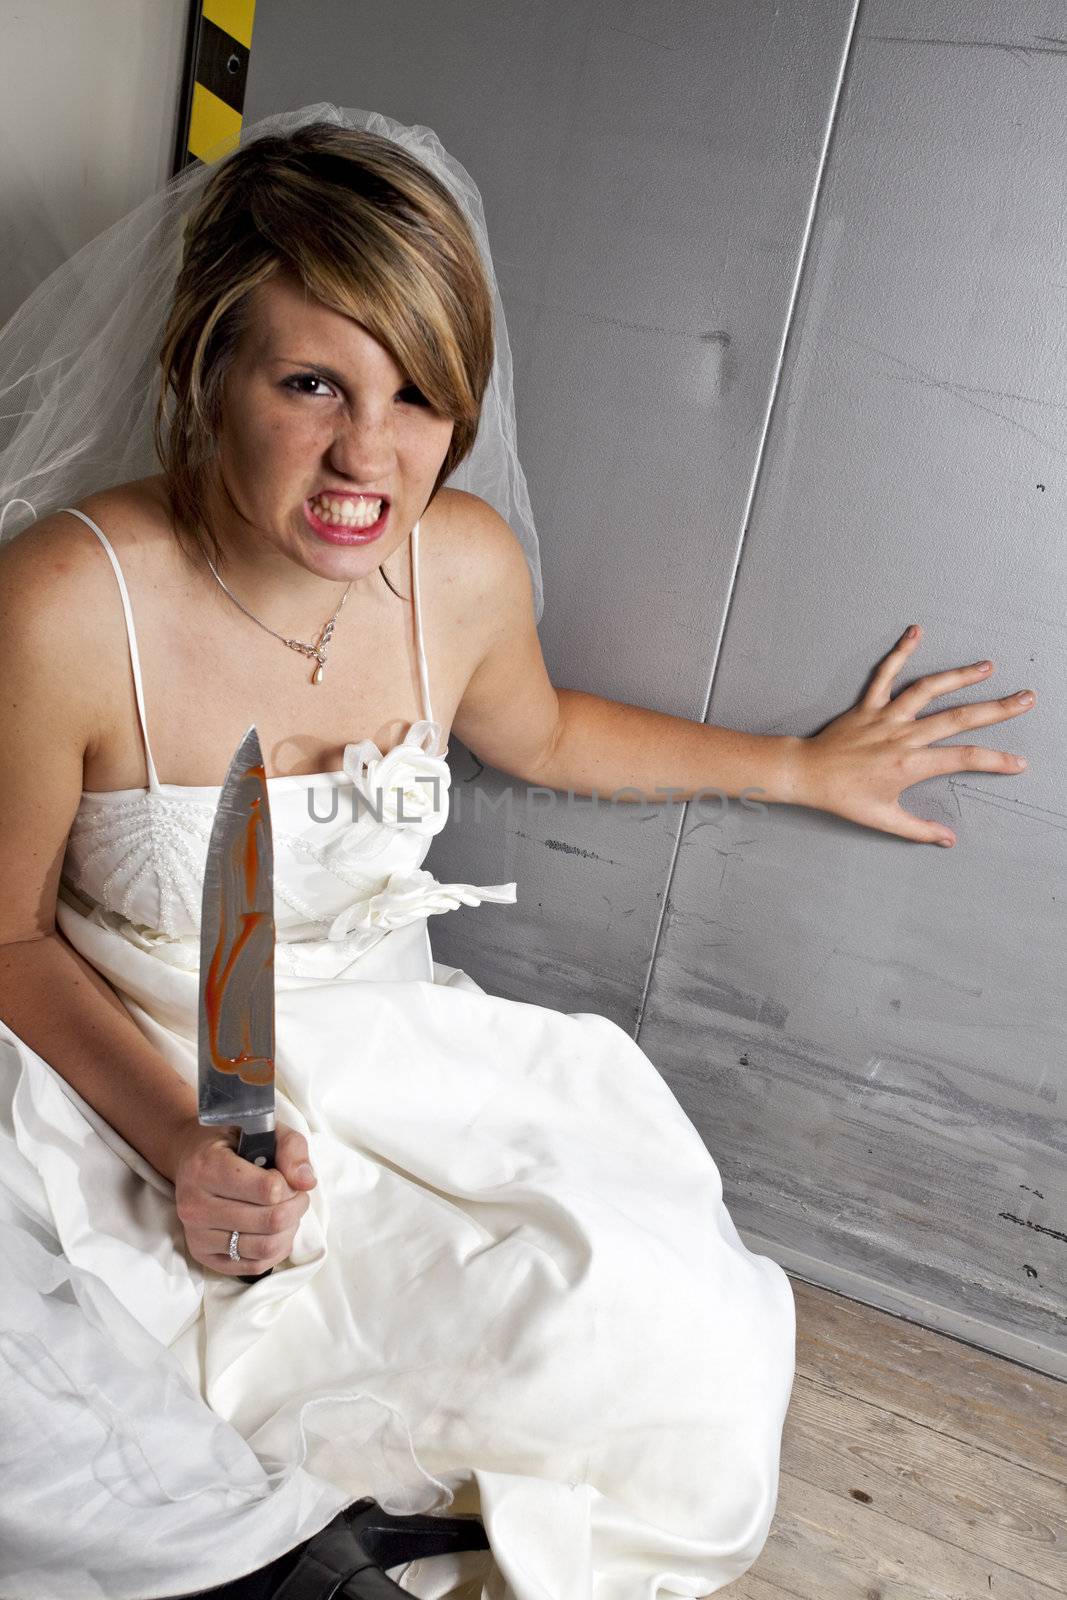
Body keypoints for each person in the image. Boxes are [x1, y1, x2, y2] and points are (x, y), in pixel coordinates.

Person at [0, 107, 1036, 1600]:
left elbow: (544, 735)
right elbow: (7, 937)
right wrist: (178, 1140)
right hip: (113, 1072)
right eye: (312, 382)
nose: (373, 454)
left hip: (396, 1070)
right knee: (69, 1408)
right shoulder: (61, 602)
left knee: (664, 1348)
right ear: (200, 368)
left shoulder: (463, 566)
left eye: (420, 396)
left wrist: (802, 766)